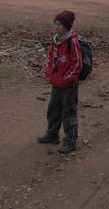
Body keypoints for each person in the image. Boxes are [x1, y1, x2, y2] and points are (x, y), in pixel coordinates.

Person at [37, 10, 82, 154]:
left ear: (66, 26)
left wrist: (67, 79)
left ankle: (70, 141)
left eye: (59, 24)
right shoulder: (56, 40)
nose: (56, 27)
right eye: (55, 23)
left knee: (68, 113)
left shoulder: (72, 42)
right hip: (56, 83)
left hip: (68, 85)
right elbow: (51, 58)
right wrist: (49, 73)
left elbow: (77, 64)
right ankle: (52, 134)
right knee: (54, 109)